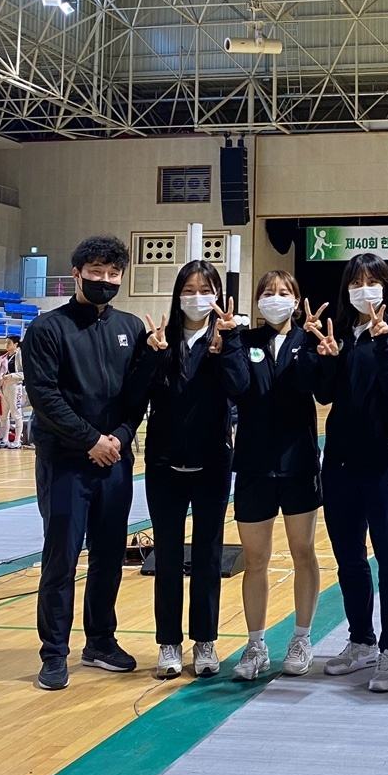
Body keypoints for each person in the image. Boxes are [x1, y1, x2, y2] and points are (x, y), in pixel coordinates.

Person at [23, 236, 160, 693]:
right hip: (65, 463)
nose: (105, 280)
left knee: (109, 558)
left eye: (113, 273)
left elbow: (136, 397)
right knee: (61, 558)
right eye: (96, 271)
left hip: (115, 461)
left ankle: (100, 641)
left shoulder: (130, 327)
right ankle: (53, 654)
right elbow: (45, 398)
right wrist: (90, 440)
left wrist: (119, 437)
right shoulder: (47, 329)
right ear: (77, 273)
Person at [298, 253, 388, 693]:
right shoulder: (339, 334)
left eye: (372, 280)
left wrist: (383, 343)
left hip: (386, 461)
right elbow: (325, 395)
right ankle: (361, 640)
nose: (365, 289)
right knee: (349, 557)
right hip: (340, 463)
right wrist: (324, 356)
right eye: (356, 282)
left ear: (386, 285)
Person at [142, 260, 248, 681]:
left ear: (218, 296)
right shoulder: (159, 339)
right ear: (178, 295)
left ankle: (205, 640)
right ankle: (168, 642)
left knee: (208, 553)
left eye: (206, 290)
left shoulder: (226, 339)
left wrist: (230, 344)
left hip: (213, 463)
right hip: (163, 464)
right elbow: (136, 394)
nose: (197, 297)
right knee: (167, 554)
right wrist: (151, 357)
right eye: (189, 289)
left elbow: (240, 388)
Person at [233, 271, 322, 682]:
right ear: (256, 301)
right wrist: (226, 342)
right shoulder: (244, 341)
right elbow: (237, 388)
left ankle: (301, 638)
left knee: (304, 552)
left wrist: (314, 347)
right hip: (254, 465)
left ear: (297, 300)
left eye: (284, 292)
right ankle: (255, 645)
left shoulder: (309, 340)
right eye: (268, 292)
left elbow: (315, 387)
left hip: (298, 463)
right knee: (255, 560)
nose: (275, 298)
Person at [0, 334, 25, 448]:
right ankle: (4, 439)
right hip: (3, 387)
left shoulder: (19, 355)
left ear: (15, 344)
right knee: (3, 415)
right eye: (6, 342)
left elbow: (25, 373)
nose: (6, 345)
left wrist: (12, 376)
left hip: (15, 386)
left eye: (9, 343)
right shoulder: (3, 358)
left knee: (16, 414)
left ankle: (17, 441)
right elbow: (0, 375)